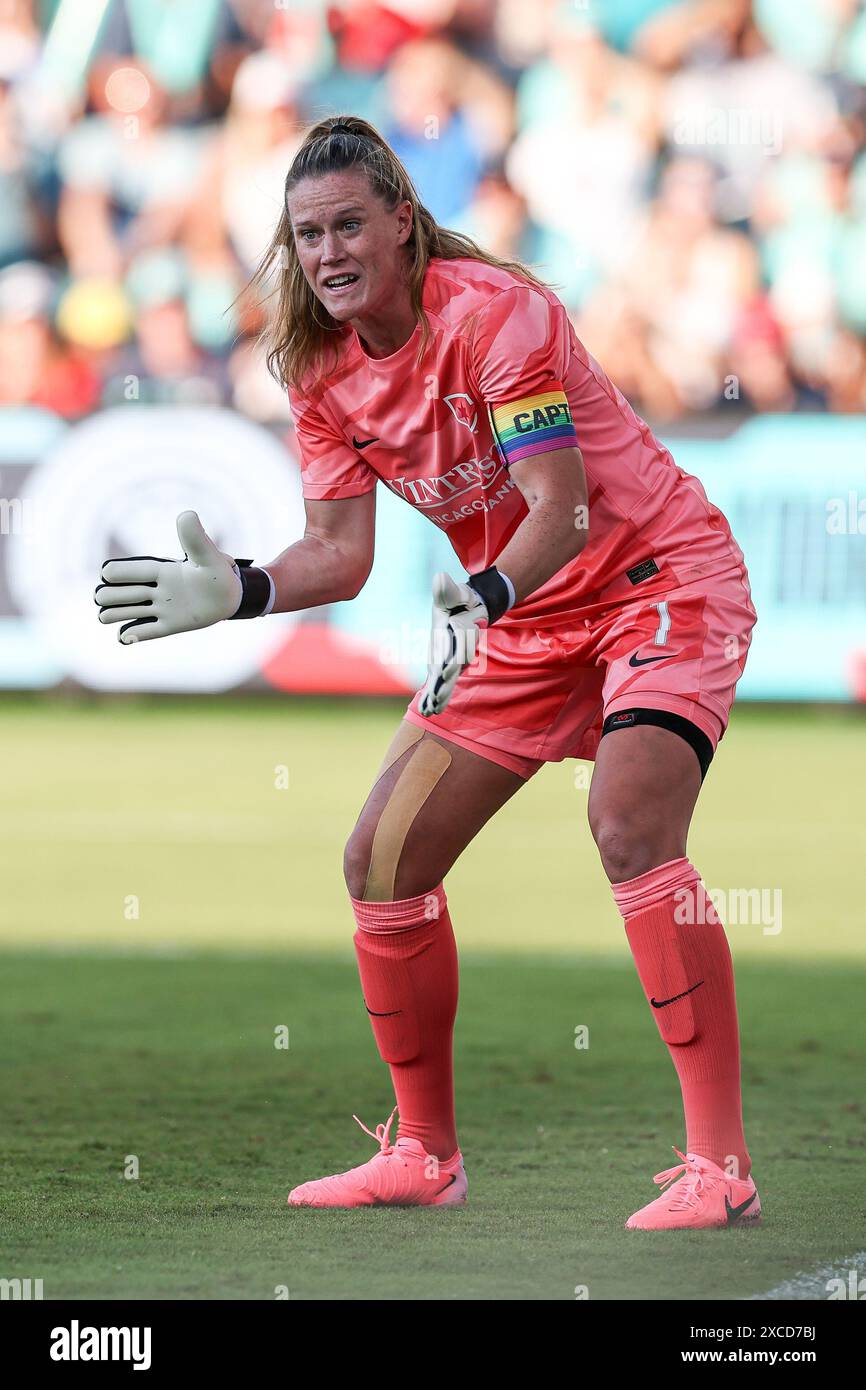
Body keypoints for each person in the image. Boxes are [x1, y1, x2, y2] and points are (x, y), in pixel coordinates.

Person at [94, 115, 761, 1231]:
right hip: (513, 613)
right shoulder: (315, 364)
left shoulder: (497, 314)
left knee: (629, 823)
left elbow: (563, 506)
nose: (326, 252)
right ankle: (424, 1153)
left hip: (655, 578)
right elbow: (342, 556)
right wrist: (243, 590)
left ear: (402, 222)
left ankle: (719, 1167)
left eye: (348, 223)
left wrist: (480, 597)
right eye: (306, 234)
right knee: (380, 860)